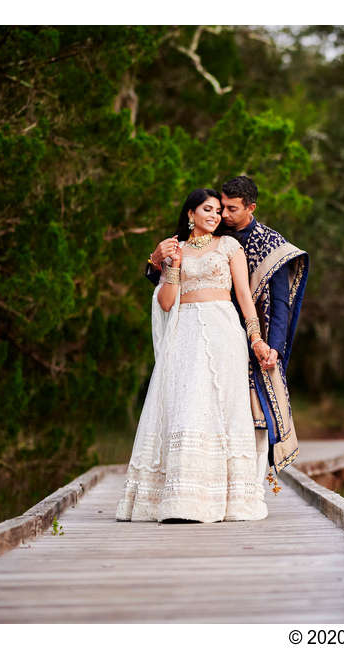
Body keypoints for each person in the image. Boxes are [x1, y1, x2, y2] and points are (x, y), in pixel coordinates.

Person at [116, 188, 273, 523]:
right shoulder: (177, 249)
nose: (215, 216)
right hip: (184, 332)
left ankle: (225, 500)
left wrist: (256, 338)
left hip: (222, 330)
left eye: (218, 211)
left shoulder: (230, 247)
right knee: (186, 403)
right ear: (190, 214)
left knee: (218, 405)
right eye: (208, 209)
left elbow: (244, 296)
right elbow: (166, 302)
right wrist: (169, 263)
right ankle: (181, 500)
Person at [145, 176, 308, 477]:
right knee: (192, 405)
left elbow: (278, 303)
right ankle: (190, 477)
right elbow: (167, 282)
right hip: (190, 332)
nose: (222, 215)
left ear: (251, 208)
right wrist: (155, 262)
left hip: (240, 333)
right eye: (218, 208)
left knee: (249, 413)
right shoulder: (205, 230)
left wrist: (270, 346)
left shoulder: (269, 244)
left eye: (230, 210)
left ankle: (242, 480)